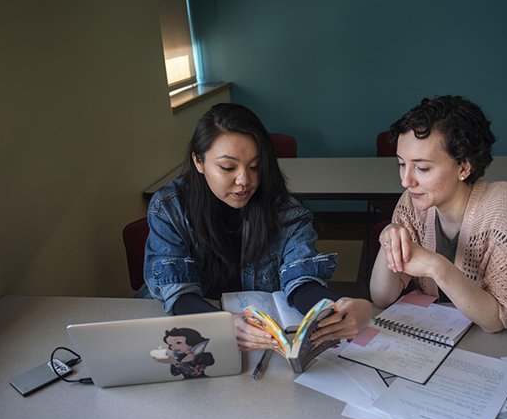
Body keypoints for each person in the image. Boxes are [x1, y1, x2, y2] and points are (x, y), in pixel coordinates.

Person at [144, 103, 373, 350]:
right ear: (198, 162)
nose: (244, 181)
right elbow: (179, 293)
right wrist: (221, 323)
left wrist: (337, 307)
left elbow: (301, 281)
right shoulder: (169, 207)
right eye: (228, 167)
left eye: (254, 166)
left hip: (261, 343)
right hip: (195, 336)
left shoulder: (285, 211)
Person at [370, 95, 507, 333]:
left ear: (464, 167)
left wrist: (435, 266)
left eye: (422, 168)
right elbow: (382, 298)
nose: (405, 180)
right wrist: (387, 238)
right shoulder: (413, 203)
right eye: (402, 164)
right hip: (444, 333)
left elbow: (495, 319)